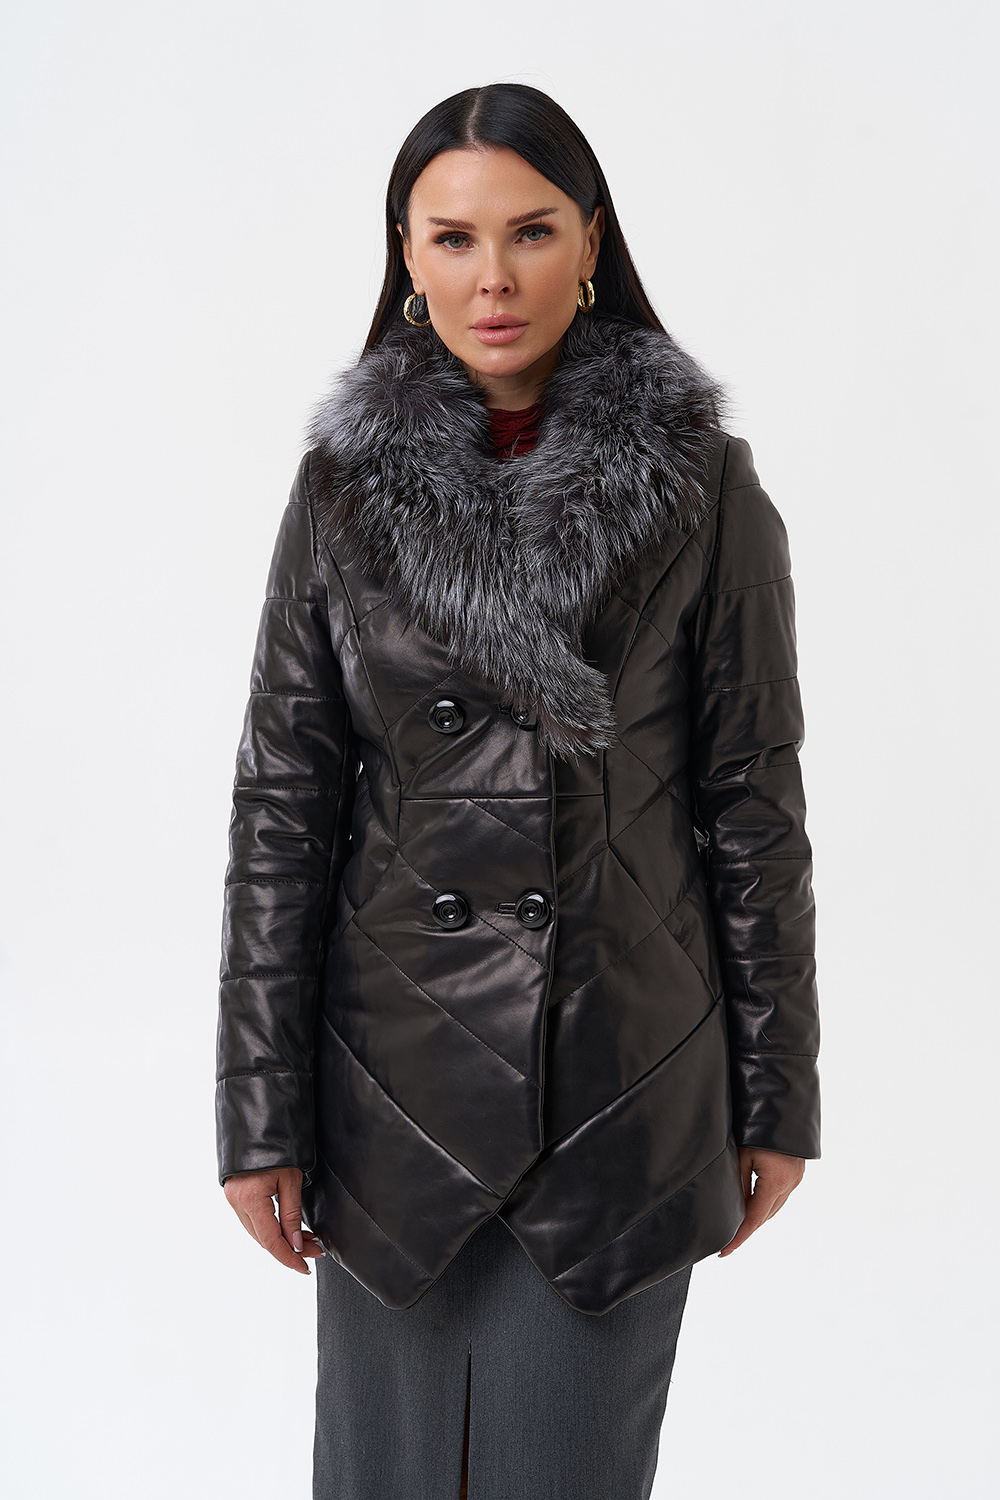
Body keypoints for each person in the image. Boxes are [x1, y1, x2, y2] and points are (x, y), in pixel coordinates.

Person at [216, 82, 821, 1500]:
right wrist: (259, 1112)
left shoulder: (704, 484)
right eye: (454, 238)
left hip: (621, 1082)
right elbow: (284, 808)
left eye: (532, 231)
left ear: (592, 240)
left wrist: (778, 1092)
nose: (493, 277)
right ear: (407, 258)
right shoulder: (339, 489)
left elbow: (753, 805)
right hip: (391, 1090)